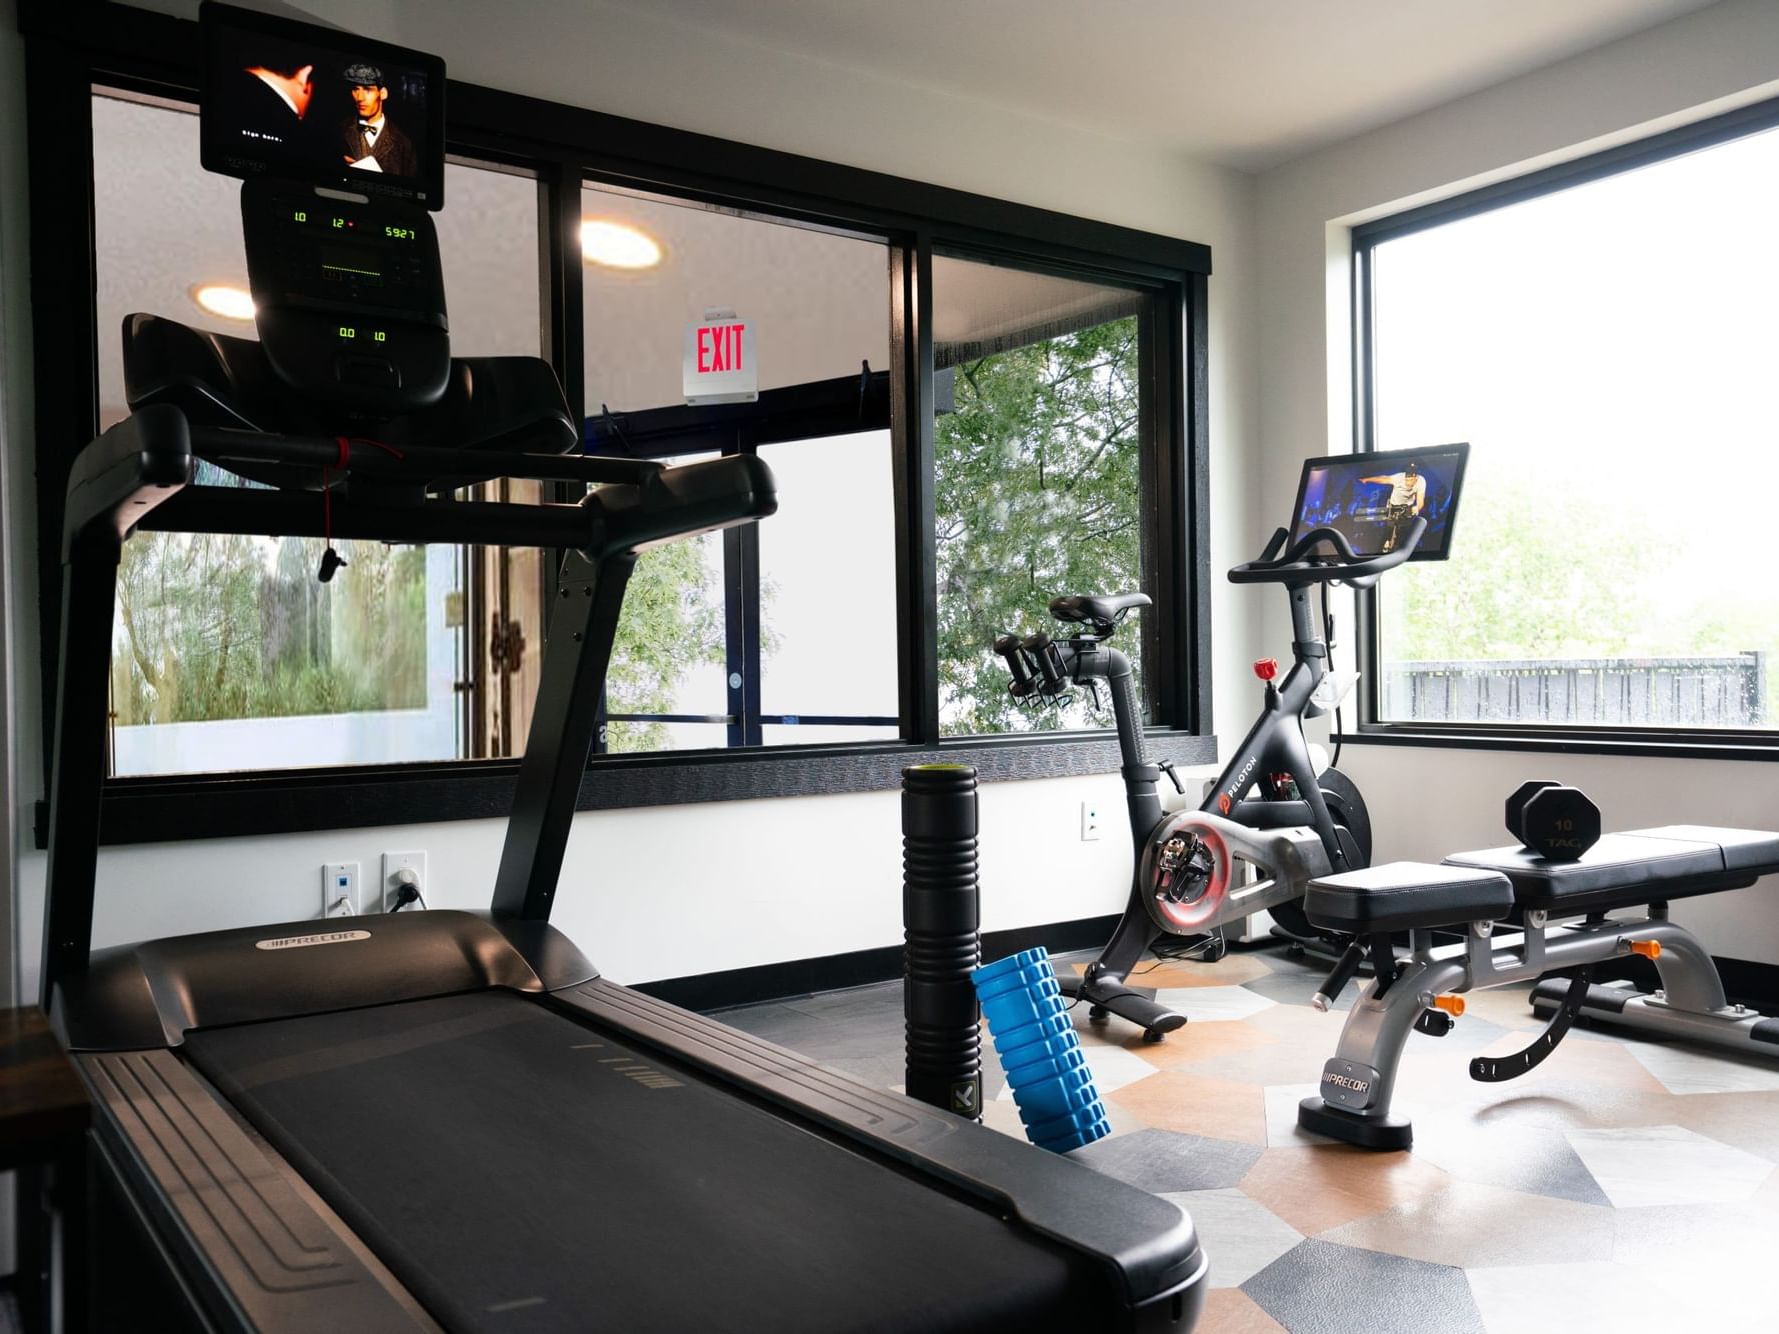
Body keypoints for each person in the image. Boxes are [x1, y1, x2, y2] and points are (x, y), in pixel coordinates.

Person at [340, 62, 419, 177]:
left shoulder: (404, 143)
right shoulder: (339, 131)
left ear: (382, 93)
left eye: (367, 89)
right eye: (356, 89)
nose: (360, 97)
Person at [1359, 460, 1427, 553]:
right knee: (1388, 530)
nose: (1408, 482)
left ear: (1415, 478)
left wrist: (1416, 508)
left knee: (1403, 532)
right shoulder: (1398, 478)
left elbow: (1420, 501)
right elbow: (1383, 478)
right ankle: (1382, 548)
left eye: (1410, 480)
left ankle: (1399, 550)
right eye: (1406, 479)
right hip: (1394, 505)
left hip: (1407, 507)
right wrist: (1367, 479)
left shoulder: (1421, 481)